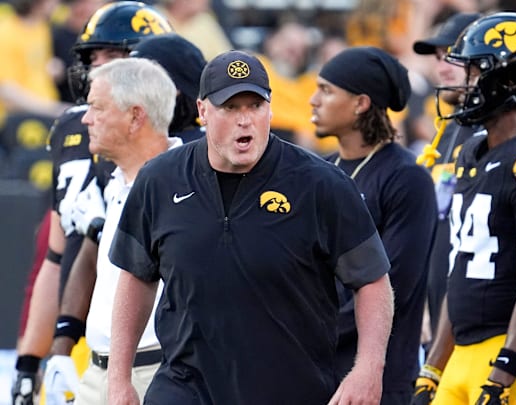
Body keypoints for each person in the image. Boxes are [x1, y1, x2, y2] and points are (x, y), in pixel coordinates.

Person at [106, 50, 394, 404]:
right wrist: (119, 380)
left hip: (290, 389)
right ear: (203, 111)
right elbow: (136, 276)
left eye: (255, 106)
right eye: (231, 108)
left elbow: (372, 280)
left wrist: (368, 368)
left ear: (270, 109)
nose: (246, 120)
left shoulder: (321, 185)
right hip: (185, 387)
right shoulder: (160, 180)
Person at [11, 3, 172, 404]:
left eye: (113, 56)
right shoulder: (73, 129)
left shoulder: (184, 148)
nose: (98, 68)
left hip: (156, 353)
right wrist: (32, 358)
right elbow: (56, 255)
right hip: (86, 343)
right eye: (91, 57)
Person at [40, 34, 205, 405]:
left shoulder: (193, 184)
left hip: (155, 375)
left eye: (98, 107)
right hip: (99, 372)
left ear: (135, 117)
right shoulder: (117, 179)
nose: (85, 118)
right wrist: (63, 347)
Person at [414, 12, 516, 405]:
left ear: (510, 79)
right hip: (461, 351)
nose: (465, 84)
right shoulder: (471, 151)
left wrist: (505, 370)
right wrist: (433, 368)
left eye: (475, 73)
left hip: (504, 349)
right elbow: (459, 269)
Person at [309, 46, 437, 404]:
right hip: (312, 371)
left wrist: (303, 332)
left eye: (326, 90)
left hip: (378, 380)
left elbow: (394, 284)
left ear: (361, 103)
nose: (313, 100)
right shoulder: (315, 171)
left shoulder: (406, 178)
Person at [410, 8, 480, 366]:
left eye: (453, 54)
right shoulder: (451, 128)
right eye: (438, 57)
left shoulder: (499, 134)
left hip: (484, 325)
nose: (442, 67)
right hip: (440, 314)